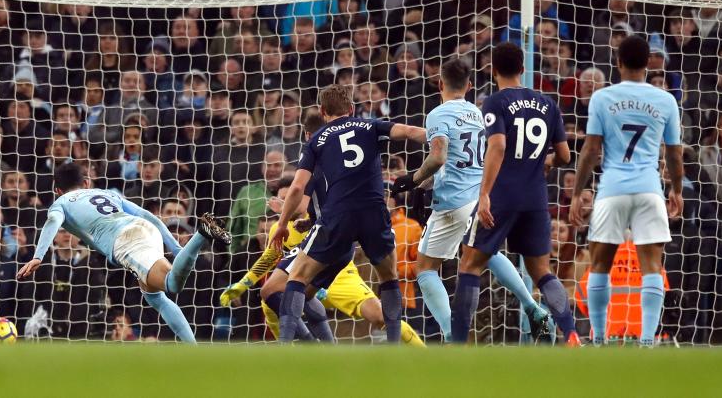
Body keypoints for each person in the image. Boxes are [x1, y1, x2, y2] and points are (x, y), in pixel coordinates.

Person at [221, 114, 425, 346]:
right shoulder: (332, 166)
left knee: (375, 314)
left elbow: (303, 202)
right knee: (274, 292)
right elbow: (272, 253)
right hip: (328, 241)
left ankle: (420, 351)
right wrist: (243, 283)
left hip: (332, 248)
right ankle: (319, 348)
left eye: (287, 198)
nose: (284, 201)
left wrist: (288, 213)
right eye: (281, 198)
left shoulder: (315, 162)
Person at [391, 58, 551, 342]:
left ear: (440, 84)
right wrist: (423, 185)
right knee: (488, 255)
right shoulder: (481, 113)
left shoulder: (439, 114)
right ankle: (532, 306)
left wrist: (413, 180)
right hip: (482, 198)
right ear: (469, 85)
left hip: (453, 202)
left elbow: (439, 157)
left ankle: (452, 333)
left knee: (426, 269)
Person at [269, 84, 428, 343]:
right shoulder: (371, 126)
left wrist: (283, 222)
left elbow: (297, 186)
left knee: (297, 278)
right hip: (374, 213)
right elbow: (409, 132)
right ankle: (394, 343)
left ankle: (285, 346)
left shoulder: (317, 139)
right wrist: (439, 137)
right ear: (352, 109)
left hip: (338, 216)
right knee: (389, 276)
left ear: (323, 111)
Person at [448, 42, 578, 345]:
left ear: (493, 70)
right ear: (522, 68)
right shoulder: (548, 104)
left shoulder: (495, 102)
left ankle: (455, 345)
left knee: (470, 265)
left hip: (502, 195)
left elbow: (498, 146)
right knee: (542, 272)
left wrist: (484, 194)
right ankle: (571, 332)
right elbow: (565, 155)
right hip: (535, 198)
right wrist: (547, 162)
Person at [17, 162, 230, 343]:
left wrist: (38, 256)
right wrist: (175, 248)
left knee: (172, 283)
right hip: (144, 229)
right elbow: (150, 216)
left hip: (126, 242)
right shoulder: (105, 194)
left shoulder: (61, 202)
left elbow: (53, 220)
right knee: (156, 298)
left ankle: (202, 233)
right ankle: (193, 351)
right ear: (86, 183)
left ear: (57, 190)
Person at [569, 35, 684, 347]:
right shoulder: (666, 100)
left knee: (600, 264)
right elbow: (674, 153)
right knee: (652, 267)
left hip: (612, 189)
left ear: (618, 63)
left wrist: (578, 192)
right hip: (649, 190)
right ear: (648, 64)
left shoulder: (602, 99)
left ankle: (599, 338)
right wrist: (675, 189)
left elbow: (591, 149)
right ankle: (647, 341)